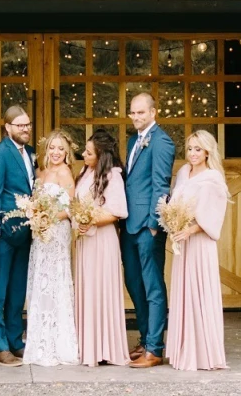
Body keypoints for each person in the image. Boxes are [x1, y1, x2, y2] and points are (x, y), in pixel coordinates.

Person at [165, 130, 229, 371]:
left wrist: (191, 230)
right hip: (182, 242)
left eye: (198, 149)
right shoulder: (183, 173)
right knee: (183, 292)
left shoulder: (213, 179)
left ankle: (203, 353)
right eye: (190, 148)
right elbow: (174, 203)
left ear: (207, 152)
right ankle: (184, 348)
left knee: (200, 291)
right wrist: (173, 223)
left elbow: (213, 214)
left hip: (200, 244)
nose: (192, 153)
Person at [121, 92, 175, 369]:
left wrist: (155, 225)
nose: (136, 117)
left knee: (153, 286)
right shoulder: (133, 141)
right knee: (134, 284)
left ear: (153, 113)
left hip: (148, 226)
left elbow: (161, 186)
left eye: (141, 112)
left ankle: (155, 348)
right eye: (133, 112)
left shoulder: (162, 142)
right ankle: (144, 339)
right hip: (129, 224)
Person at [0, 105, 35, 366]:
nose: (25, 129)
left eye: (27, 124)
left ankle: (16, 341)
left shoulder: (31, 153)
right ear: (8, 128)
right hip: (5, 235)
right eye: (20, 125)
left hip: (28, 233)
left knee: (17, 291)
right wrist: (0, 228)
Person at [74, 129, 130, 367]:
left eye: (88, 152)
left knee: (101, 290)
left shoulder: (113, 176)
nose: (84, 155)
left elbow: (117, 212)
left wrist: (90, 220)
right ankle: (88, 346)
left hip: (103, 241)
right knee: (87, 289)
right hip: (85, 241)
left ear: (100, 155)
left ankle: (106, 346)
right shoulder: (85, 172)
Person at [23, 131, 79, 366]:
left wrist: (49, 218)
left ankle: (58, 340)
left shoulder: (65, 173)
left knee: (55, 279)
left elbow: (71, 208)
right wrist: (35, 216)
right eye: (52, 148)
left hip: (57, 232)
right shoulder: (40, 173)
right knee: (40, 279)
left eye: (60, 149)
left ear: (67, 153)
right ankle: (38, 338)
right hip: (40, 234)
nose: (56, 152)